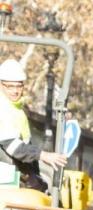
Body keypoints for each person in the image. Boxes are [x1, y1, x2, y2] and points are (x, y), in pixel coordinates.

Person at [0, 58, 66, 192]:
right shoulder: (3, 108)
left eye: (19, 86)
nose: (15, 91)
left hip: (14, 179)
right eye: (10, 86)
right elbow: (12, 147)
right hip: (5, 182)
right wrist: (43, 155)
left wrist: (35, 176)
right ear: (1, 85)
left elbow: (25, 145)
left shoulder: (17, 110)